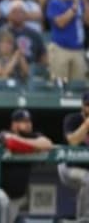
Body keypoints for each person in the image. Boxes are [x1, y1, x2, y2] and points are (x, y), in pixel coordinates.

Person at [0, 109, 53, 223]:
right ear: (14, 125)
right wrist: (35, 147)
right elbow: (11, 143)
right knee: (2, 201)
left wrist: (22, 143)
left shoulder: (35, 135)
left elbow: (47, 144)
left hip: (17, 196)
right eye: (23, 121)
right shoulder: (3, 133)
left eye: (29, 121)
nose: (28, 124)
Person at [46, 0, 89, 81]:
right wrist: (74, 7)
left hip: (78, 50)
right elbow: (60, 23)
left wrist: (86, 2)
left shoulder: (80, 2)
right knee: (59, 85)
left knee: (79, 87)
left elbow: (87, 21)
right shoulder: (54, 2)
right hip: (60, 49)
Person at [58, 91, 89, 220]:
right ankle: (83, 219)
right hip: (69, 167)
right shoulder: (72, 119)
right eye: (88, 104)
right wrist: (87, 123)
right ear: (82, 106)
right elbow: (73, 141)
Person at [0, 0, 47, 65]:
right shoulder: (2, 33)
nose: (18, 15)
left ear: (26, 15)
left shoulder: (34, 33)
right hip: (9, 67)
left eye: (21, 12)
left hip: (32, 68)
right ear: (9, 15)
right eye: (14, 12)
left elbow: (42, 55)